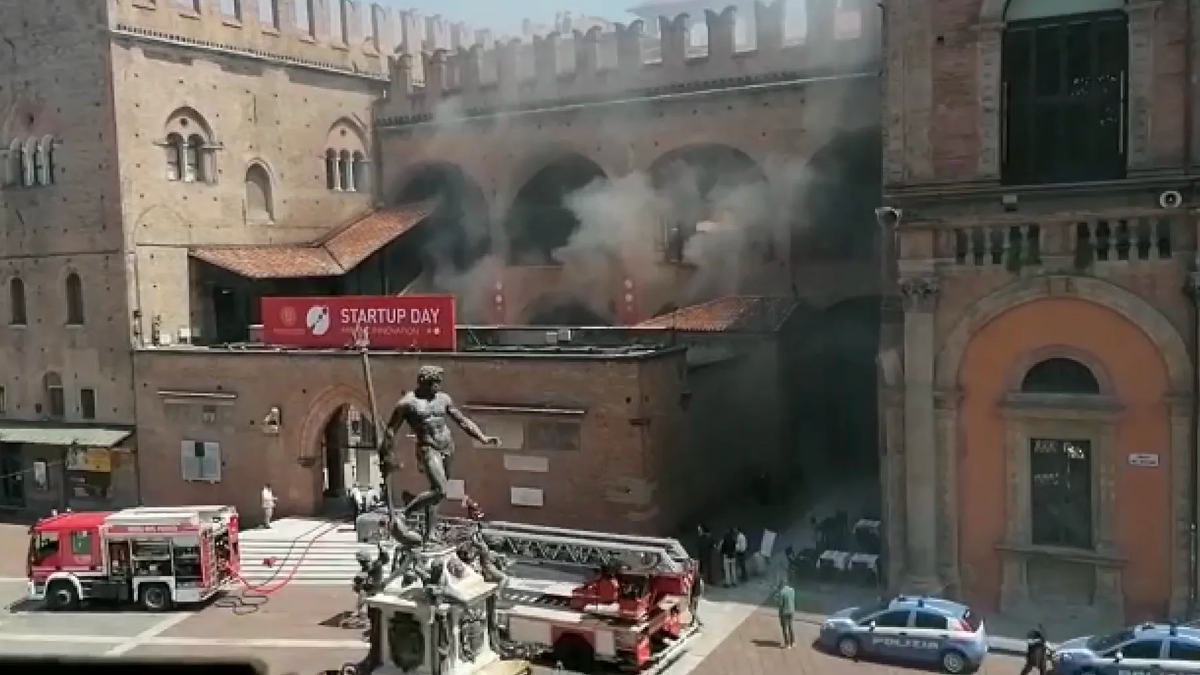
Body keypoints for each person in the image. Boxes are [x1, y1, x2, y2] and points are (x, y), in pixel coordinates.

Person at [380, 365, 499, 543]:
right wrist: (386, 454)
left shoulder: (443, 399)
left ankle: (431, 533)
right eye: (434, 383)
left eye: (439, 383)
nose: (438, 387)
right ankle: (405, 514)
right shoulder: (407, 403)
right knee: (440, 490)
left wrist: (482, 437)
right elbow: (390, 431)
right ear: (424, 382)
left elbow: (462, 421)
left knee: (434, 495)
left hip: (447, 445)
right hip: (428, 447)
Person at [775, 577, 796, 648]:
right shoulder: (792, 590)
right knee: (791, 627)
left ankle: (787, 644)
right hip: (791, 610)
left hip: (784, 612)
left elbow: (781, 604)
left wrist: (777, 599)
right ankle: (793, 642)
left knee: (784, 628)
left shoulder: (782, 592)